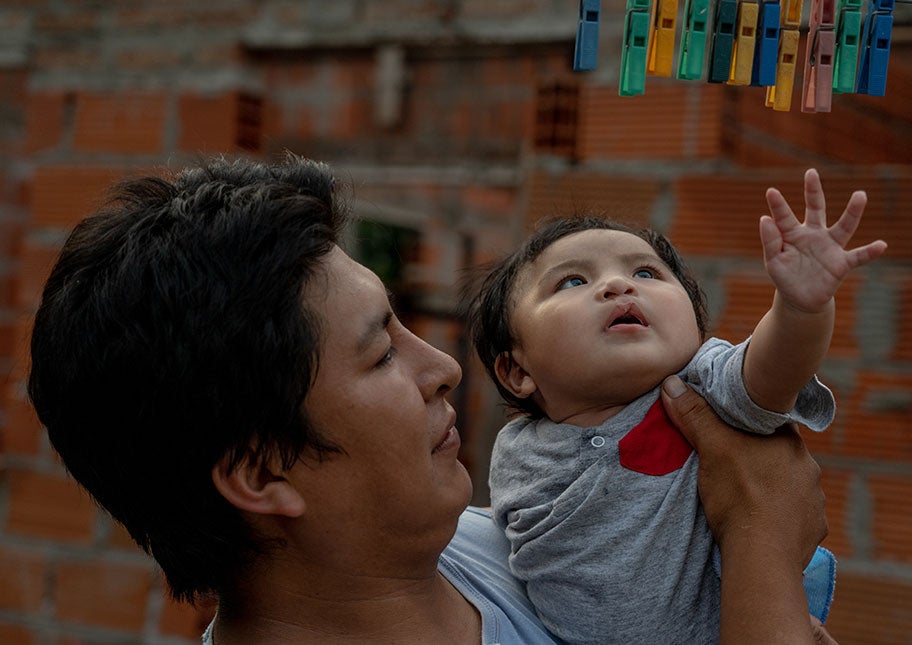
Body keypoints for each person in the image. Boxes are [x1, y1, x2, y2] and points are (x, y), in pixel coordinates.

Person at [28, 154, 836, 644]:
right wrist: (761, 532)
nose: (444, 365)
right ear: (263, 471)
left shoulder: (514, 547)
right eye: (381, 352)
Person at [467, 169, 886, 644]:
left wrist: (801, 309)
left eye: (645, 273)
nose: (619, 286)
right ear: (517, 371)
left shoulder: (703, 384)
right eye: (572, 281)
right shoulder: (516, 450)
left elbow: (773, 373)